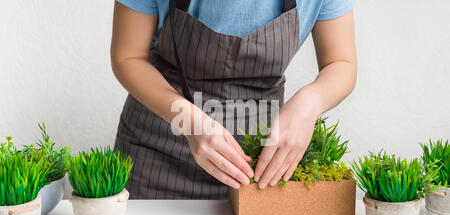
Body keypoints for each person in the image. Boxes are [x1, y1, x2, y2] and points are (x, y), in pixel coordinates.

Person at [110, 0, 357, 199]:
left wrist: (309, 102)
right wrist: (189, 121)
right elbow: (128, 57)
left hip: (259, 171)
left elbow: (341, 63)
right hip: (156, 156)